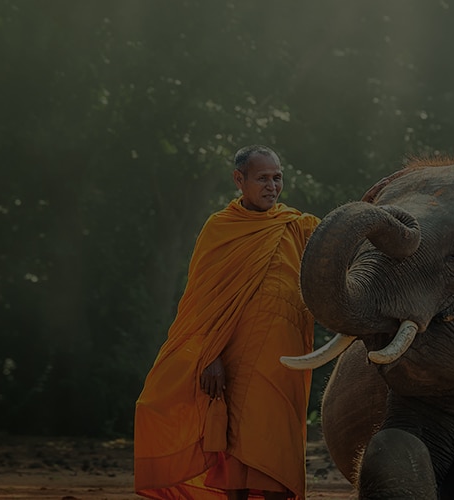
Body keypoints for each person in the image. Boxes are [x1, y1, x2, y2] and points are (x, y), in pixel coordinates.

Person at [134, 145, 321, 499]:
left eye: (277, 177)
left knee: (278, 452)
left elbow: (336, 256)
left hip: (285, 363)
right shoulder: (220, 228)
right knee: (236, 453)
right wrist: (211, 356)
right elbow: (202, 303)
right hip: (234, 363)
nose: (272, 186)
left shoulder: (298, 226)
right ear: (239, 179)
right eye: (262, 178)